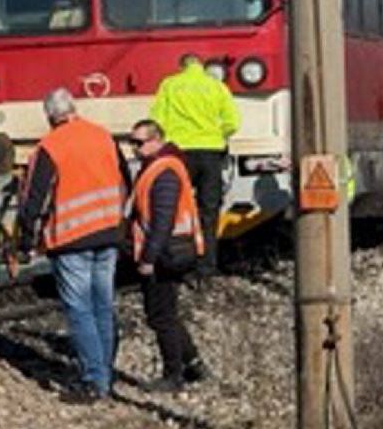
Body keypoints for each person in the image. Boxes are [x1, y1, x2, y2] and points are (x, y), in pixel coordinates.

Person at [17, 88, 129, 403]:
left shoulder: (50, 146)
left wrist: (26, 240)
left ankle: (95, 381)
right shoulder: (103, 136)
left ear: (50, 116)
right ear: (74, 108)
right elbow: (126, 179)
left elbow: (34, 200)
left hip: (70, 239)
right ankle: (104, 372)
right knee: (103, 306)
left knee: (81, 311)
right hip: (108, 233)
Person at [128, 119, 207, 392]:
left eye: (139, 142)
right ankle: (193, 363)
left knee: (160, 316)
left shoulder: (164, 172)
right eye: (132, 143)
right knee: (166, 313)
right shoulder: (158, 167)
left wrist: (148, 259)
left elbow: (162, 220)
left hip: (167, 253)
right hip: (173, 249)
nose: (135, 149)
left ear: (157, 139)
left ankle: (174, 375)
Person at [150, 53, 240, 276]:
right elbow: (232, 122)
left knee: (177, 208)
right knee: (209, 211)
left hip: (180, 154)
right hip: (210, 153)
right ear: (201, 66)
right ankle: (208, 264)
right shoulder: (216, 86)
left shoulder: (170, 85)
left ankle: (178, 259)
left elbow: (156, 121)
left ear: (182, 66)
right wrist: (219, 135)